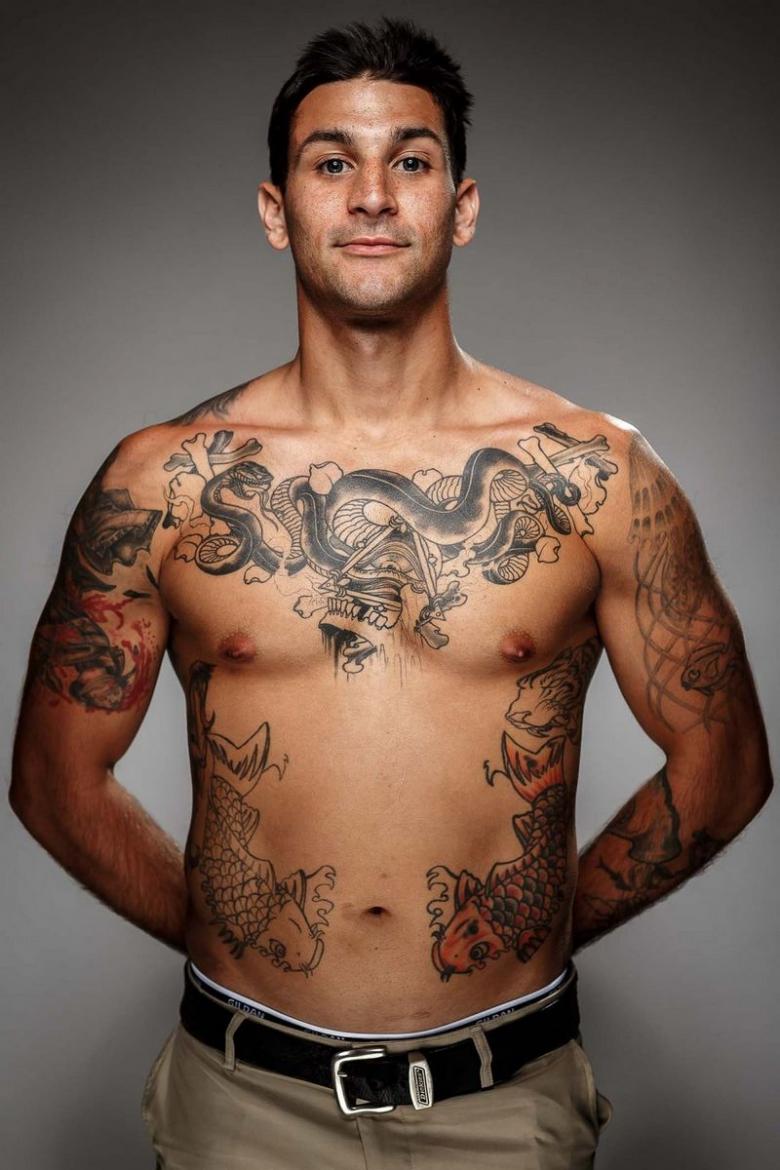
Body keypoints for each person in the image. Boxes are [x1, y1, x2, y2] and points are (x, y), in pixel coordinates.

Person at [9, 15, 773, 1170]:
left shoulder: (595, 477)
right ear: (278, 209)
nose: (372, 195)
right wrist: (236, 927)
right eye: (332, 163)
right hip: (241, 1100)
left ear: (460, 206)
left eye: (409, 160)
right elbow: (52, 779)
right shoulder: (164, 483)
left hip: (504, 1101)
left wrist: (534, 920)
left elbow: (728, 763)